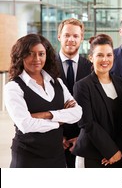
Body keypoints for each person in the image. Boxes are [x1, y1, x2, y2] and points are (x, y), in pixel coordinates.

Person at [4, 34, 82, 168]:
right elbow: (26, 124)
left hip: (57, 157)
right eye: (30, 54)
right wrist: (60, 120)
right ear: (21, 56)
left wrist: (47, 115)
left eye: (41, 54)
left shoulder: (57, 82)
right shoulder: (13, 87)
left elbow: (77, 112)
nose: (37, 59)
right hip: (28, 159)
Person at [72, 34, 122, 168]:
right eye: (100, 55)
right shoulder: (82, 86)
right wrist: (110, 151)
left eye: (109, 55)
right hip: (92, 154)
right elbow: (87, 123)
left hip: (118, 154)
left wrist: (117, 150)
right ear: (91, 58)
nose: (105, 59)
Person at [56, 18, 92, 167]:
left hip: (83, 138)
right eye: (67, 35)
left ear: (81, 38)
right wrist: (58, 136)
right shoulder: (46, 67)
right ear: (59, 37)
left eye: (76, 36)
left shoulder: (91, 68)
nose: (71, 39)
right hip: (55, 139)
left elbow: (94, 107)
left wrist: (82, 137)